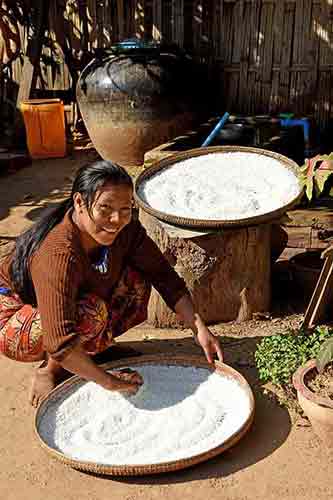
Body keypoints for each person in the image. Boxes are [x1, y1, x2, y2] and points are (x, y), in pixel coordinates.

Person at [0, 160, 223, 407]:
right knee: (90, 313)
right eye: (105, 209)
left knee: (136, 283)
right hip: (12, 315)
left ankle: (94, 352)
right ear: (79, 203)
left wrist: (199, 328)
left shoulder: (127, 230)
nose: (116, 219)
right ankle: (50, 370)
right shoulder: (57, 254)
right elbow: (59, 340)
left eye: (125, 209)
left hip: (72, 305)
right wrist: (110, 382)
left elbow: (163, 275)